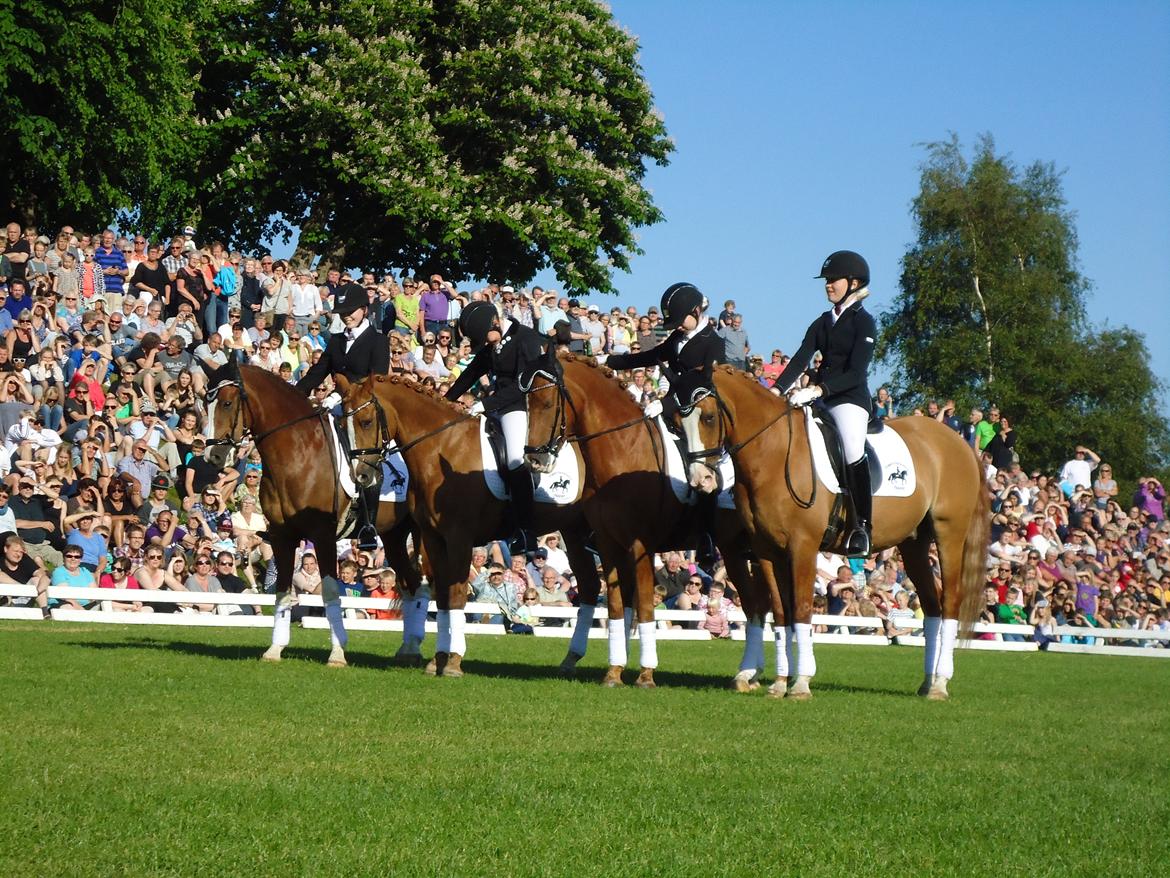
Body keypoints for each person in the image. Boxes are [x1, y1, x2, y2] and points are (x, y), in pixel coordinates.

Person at [606, 283, 724, 563]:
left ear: (697, 311)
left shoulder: (713, 342)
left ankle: (707, 535)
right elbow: (647, 357)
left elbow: (704, 385)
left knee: (702, 465)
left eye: (681, 319)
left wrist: (667, 403)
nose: (678, 326)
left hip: (701, 416)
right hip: (674, 412)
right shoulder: (677, 338)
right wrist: (607, 360)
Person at [774, 251, 877, 556]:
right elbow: (800, 358)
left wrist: (820, 389)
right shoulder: (823, 321)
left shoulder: (864, 322)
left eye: (833, 280)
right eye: (827, 281)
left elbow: (857, 373)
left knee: (852, 448)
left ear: (854, 282)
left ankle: (863, 526)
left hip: (849, 399)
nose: (828, 285)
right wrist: (776, 390)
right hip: (819, 397)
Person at [444, 299, 550, 555]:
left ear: (496, 322)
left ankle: (526, 531)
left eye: (487, 338)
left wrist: (486, 404)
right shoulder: (493, 342)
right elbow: (470, 374)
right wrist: (443, 401)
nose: (487, 344)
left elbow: (523, 385)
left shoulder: (526, 338)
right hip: (495, 405)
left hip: (520, 406)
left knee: (515, 458)